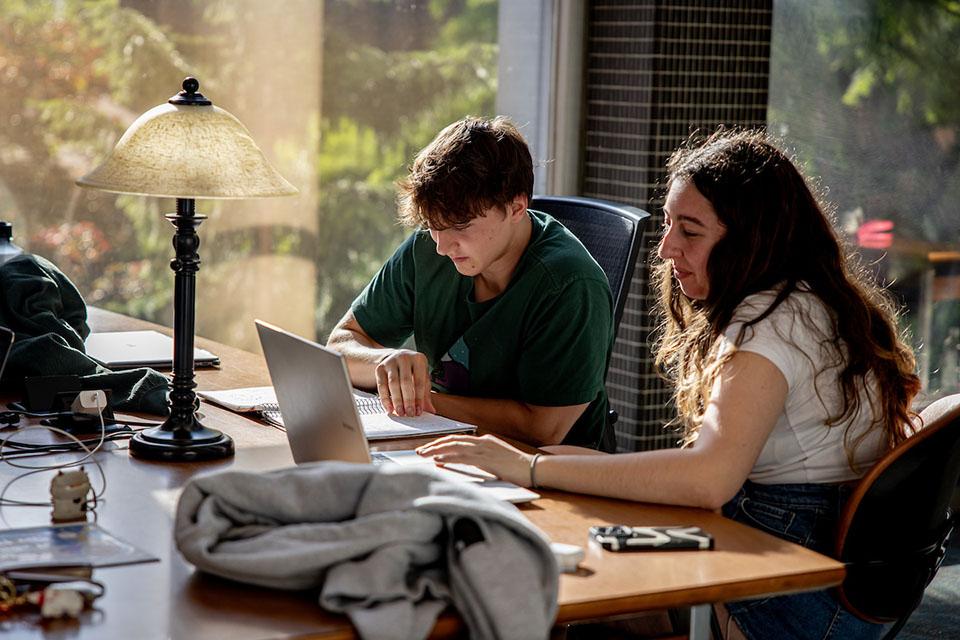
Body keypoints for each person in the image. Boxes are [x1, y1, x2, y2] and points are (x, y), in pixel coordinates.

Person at [417, 129, 921, 639]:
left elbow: (706, 481)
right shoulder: (806, 303)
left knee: (563, 590)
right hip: (816, 564)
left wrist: (530, 467)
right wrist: (534, 465)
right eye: (668, 225)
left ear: (750, 237)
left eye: (691, 231)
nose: (664, 248)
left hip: (799, 597)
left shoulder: (771, 326)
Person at [327, 116, 616, 451]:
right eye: (434, 225)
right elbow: (340, 343)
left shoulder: (571, 284)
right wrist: (383, 363)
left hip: (548, 474)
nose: (441, 246)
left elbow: (543, 428)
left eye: (461, 226)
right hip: (442, 443)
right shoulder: (428, 251)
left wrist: (418, 400)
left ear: (517, 207)